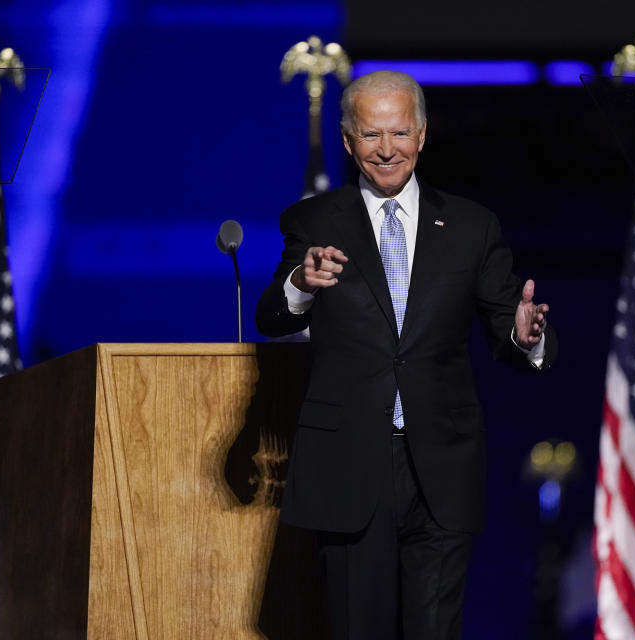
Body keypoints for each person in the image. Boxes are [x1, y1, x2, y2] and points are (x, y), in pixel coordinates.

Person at [256, 70, 556, 639]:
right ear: (347, 141)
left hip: (441, 467)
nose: (387, 150)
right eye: (371, 135)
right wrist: (301, 281)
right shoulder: (315, 221)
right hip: (349, 464)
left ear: (421, 134)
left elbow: (506, 328)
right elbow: (272, 317)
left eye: (399, 134)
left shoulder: (471, 226)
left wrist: (524, 332)